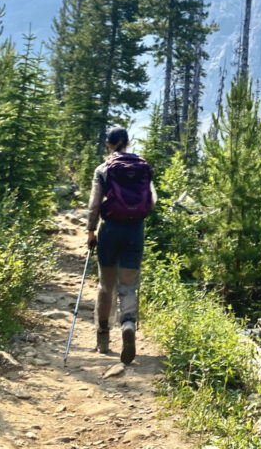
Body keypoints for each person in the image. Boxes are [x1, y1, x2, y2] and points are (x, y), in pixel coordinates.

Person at [86, 125, 155, 364]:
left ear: (109, 144)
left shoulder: (103, 169)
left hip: (110, 229)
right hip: (134, 230)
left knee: (106, 285)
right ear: (127, 142)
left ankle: (103, 338)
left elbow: (95, 204)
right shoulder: (143, 167)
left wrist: (90, 231)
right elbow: (152, 201)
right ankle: (128, 324)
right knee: (128, 285)